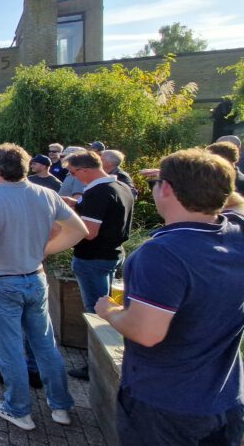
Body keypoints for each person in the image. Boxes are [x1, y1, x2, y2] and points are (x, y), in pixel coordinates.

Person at [95, 149, 244, 446]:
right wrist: (203, 179)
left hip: (165, 407)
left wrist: (108, 311)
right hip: (226, 401)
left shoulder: (161, 253)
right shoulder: (237, 231)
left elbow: (146, 333)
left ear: (166, 190)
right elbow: (236, 202)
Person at [0, 143, 87, 431]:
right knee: (45, 344)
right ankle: (60, 406)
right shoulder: (47, 194)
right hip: (35, 277)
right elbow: (78, 230)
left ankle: (18, 409)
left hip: (1, 282)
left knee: (9, 348)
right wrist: (44, 250)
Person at [62, 151, 134, 380]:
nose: (73, 177)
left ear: (84, 169)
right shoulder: (120, 186)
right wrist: (76, 204)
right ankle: (101, 360)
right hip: (112, 253)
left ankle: (96, 365)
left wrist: (64, 222)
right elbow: (107, 216)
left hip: (92, 258)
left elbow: (89, 232)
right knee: (106, 306)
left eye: (73, 172)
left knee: (97, 313)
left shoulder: (97, 192)